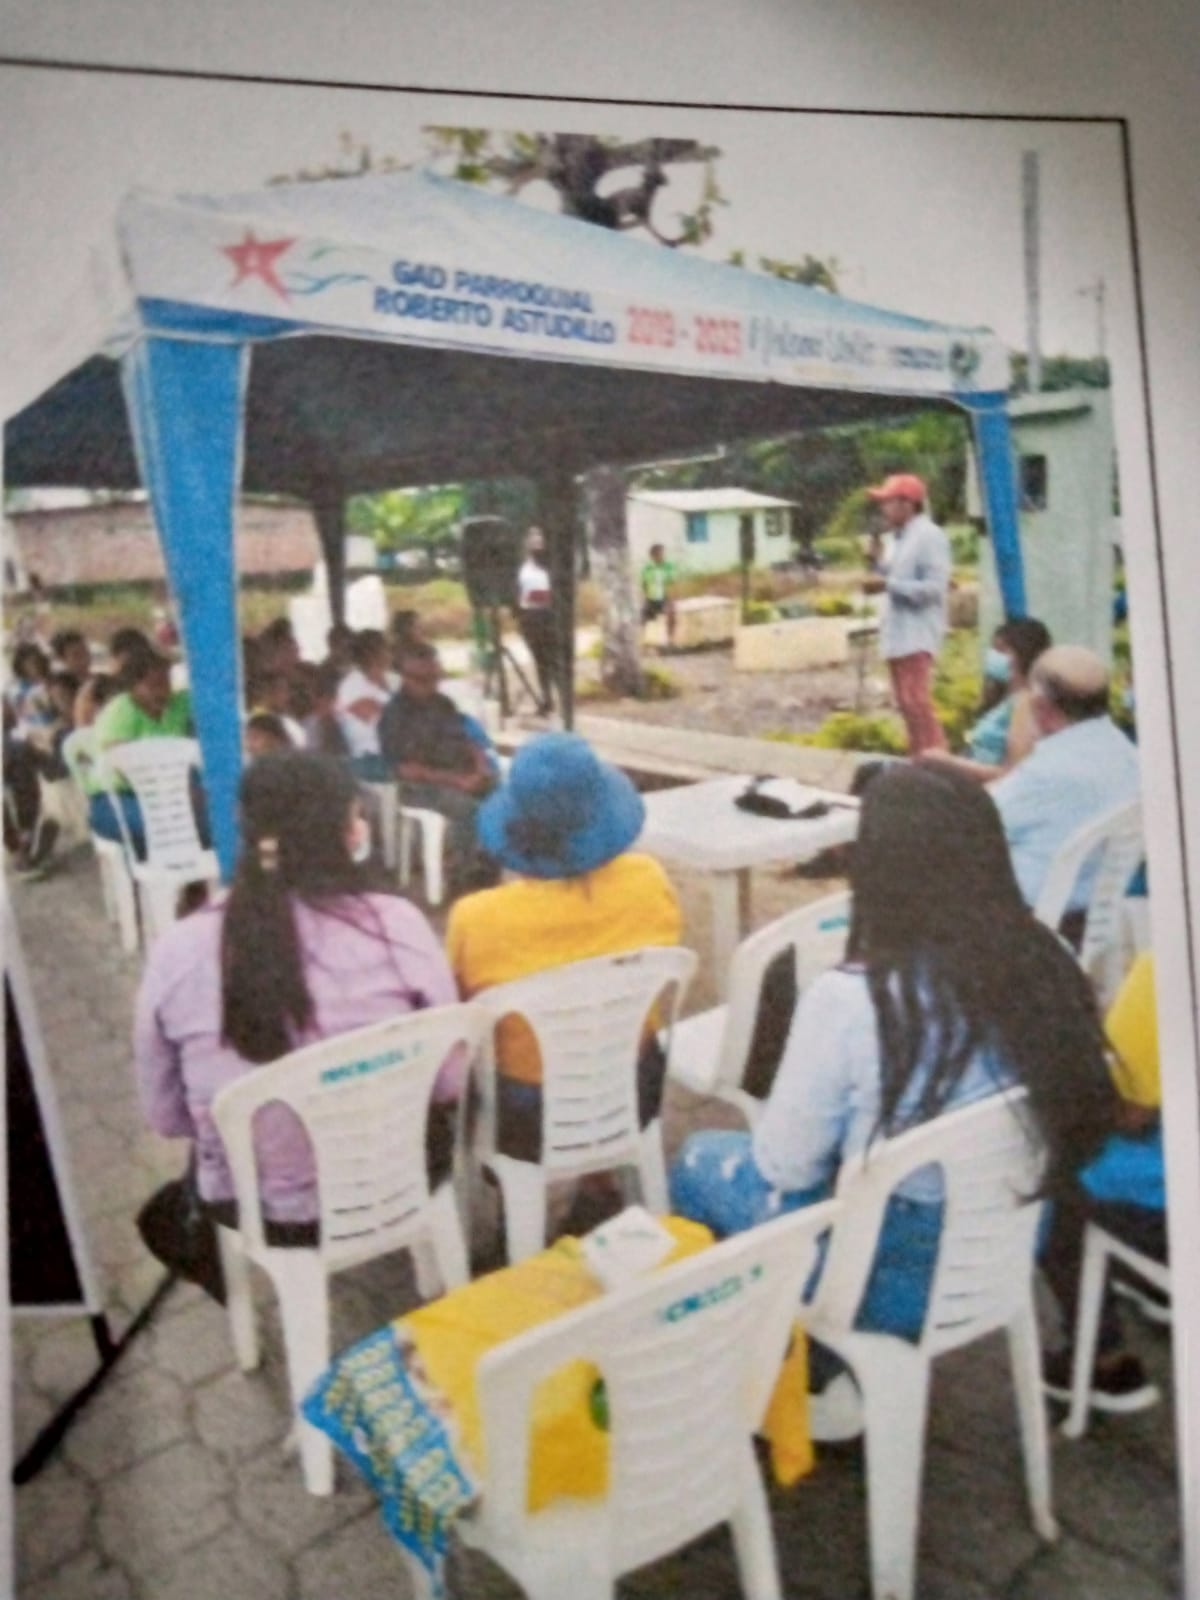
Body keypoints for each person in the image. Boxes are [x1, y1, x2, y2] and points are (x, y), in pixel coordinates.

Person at [670, 763, 1116, 1438]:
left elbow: (784, 1167)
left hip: (881, 1279)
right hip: (1006, 1245)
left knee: (700, 1160)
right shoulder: (1047, 956)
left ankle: (793, 1370)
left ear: (875, 868)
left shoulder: (851, 999)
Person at [134, 753, 462, 1254]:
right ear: (347, 833)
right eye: (357, 815)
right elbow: (449, 1081)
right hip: (401, 1177)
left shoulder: (177, 950)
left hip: (258, 1210)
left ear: (245, 828)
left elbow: (167, 1117)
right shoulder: (398, 926)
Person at [446, 732, 683, 1161]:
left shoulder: (475, 918)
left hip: (530, 1113)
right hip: (633, 1086)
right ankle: (604, 1179)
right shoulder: (648, 880)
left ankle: (510, 1190)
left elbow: (460, 1018)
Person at [1040, 951, 1165, 1412]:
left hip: (1166, 1214)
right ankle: (1152, 1284)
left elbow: (1128, 1111)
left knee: (1051, 1183)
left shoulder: (1166, 968)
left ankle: (1104, 1361)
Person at [990, 644, 1141, 917]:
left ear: (1041, 705)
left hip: (1027, 920)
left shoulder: (1045, 773)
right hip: (1096, 917)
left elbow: (971, 823)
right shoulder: (1131, 758)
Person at [378, 642, 500, 893]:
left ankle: (490, 860)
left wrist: (481, 766)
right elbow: (406, 769)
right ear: (406, 678)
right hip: (420, 786)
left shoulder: (443, 703)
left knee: (501, 790)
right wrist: (457, 781)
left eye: (435, 677)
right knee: (465, 807)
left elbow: (467, 739)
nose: (431, 684)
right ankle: (463, 873)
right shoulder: (395, 715)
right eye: (423, 679)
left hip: (458, 773)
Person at [862, 473, 951, 756]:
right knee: (906, 703)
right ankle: (919, 759)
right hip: (898, 632)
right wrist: (877, 564)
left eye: (887, 502)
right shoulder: (898, 539)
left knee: (917, 702)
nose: (882, 509)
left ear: (907, 504)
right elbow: (894, 576)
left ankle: (938, 760)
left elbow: (934, 588)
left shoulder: (929, 536)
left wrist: (886, 585)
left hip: (917, 632)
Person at [920, 617, 1052, 783]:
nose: (994, 657)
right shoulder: (1002, 701)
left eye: (1002, 650)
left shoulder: (1024, 705)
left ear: (1024, 654)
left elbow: (1013, 774)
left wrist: (950, 763)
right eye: (993, 649)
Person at [90, 651, 196, 855]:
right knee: (161, 829)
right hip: (116, 798)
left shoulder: (179, 704)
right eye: (154, 685)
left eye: (167, 682)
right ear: (133, 687)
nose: (164, 691)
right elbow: (120, 764)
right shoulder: (121, 711)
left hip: (168, 797)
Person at [335, 629, 393, 781]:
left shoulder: (390, 681)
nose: (390, 654)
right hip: (367, 758)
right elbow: (380, 719)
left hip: (394, 752)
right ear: (372, 654)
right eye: (387, 649)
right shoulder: (352, 685)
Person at [516, 527, 558, 716]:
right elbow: (518, 593)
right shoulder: (523, 569)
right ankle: (546, 698)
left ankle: (561, 697)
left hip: (549, 615)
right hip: (530, 616)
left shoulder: (551, 567)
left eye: (539, 540)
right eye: (532, 540)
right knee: (540, 660)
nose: (536, 544)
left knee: (553, 658)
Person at [641, 543, 678, 649]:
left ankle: (671, 641)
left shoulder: (668, 566)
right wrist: (645, 597)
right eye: (659, 554)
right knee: (642, 618)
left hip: (665, 596)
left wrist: (671, 600)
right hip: (651, 597)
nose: (661, 556)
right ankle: (643, 641)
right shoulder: (647, 568)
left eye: (662, 553)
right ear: (652, 556)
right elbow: (644, 584)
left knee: (671, 614)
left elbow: (672, 583)